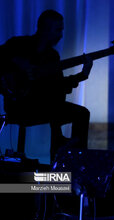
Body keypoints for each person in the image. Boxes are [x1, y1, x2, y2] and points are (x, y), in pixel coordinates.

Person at [0, 9, 93, 162]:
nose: (61, 34)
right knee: (55, 107)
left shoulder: (53, 56)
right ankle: (60, 150)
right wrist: (17, 62)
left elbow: (59, 87)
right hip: (18, 107)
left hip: (44, 106)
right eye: (58, 30)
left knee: (80, 112)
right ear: (44, 29)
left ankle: (72, 162)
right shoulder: (17, 44)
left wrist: (83, 75)